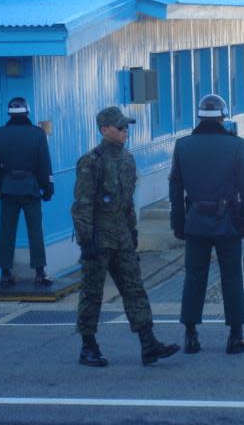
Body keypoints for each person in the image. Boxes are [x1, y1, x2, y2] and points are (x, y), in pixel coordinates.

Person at [71, 106, 180, 367]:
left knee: (135, 288)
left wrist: (132, 233)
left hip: (121, 237)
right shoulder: (91, 161)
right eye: (120, 128)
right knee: (92, 292)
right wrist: (87, 242)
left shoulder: (127, 160)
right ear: (104, 129)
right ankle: (88, 345)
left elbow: (128, 202)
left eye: (126, 127)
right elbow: (82, 204)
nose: (125, 132)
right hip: (99, 239)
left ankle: (148, 342)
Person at [169, 94, 244, 355]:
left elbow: (175, 189)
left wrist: (178, 223)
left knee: (194, 277)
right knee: (231, 276)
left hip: (195, 221)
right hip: (228, 221)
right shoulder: (235, 145)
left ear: (199, 117)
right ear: (223, 116)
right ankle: (235, 335)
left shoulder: (183, 145)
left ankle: (191, 334)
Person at [0, 97, 54, 287]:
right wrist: (48, 188)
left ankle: (5, 272)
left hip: (8, 188)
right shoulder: (37, 134)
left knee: (7, 231)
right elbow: (44, 164)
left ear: (9, 114)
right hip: (30, 188)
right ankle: (40, 272)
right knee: (35, 230)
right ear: (27, 112)